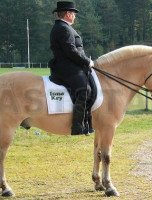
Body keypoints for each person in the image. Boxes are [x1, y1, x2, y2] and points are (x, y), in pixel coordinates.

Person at [49, 1, 94, 135]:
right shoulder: (63, 28)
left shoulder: (63, 27)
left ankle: (88, 122)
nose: (74, 16)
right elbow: (71, 51)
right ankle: (77, 127)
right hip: (67, 68)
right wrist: (87, 61)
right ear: (68, 14)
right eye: (73, 13)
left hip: (69, 66)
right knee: (84, 90)